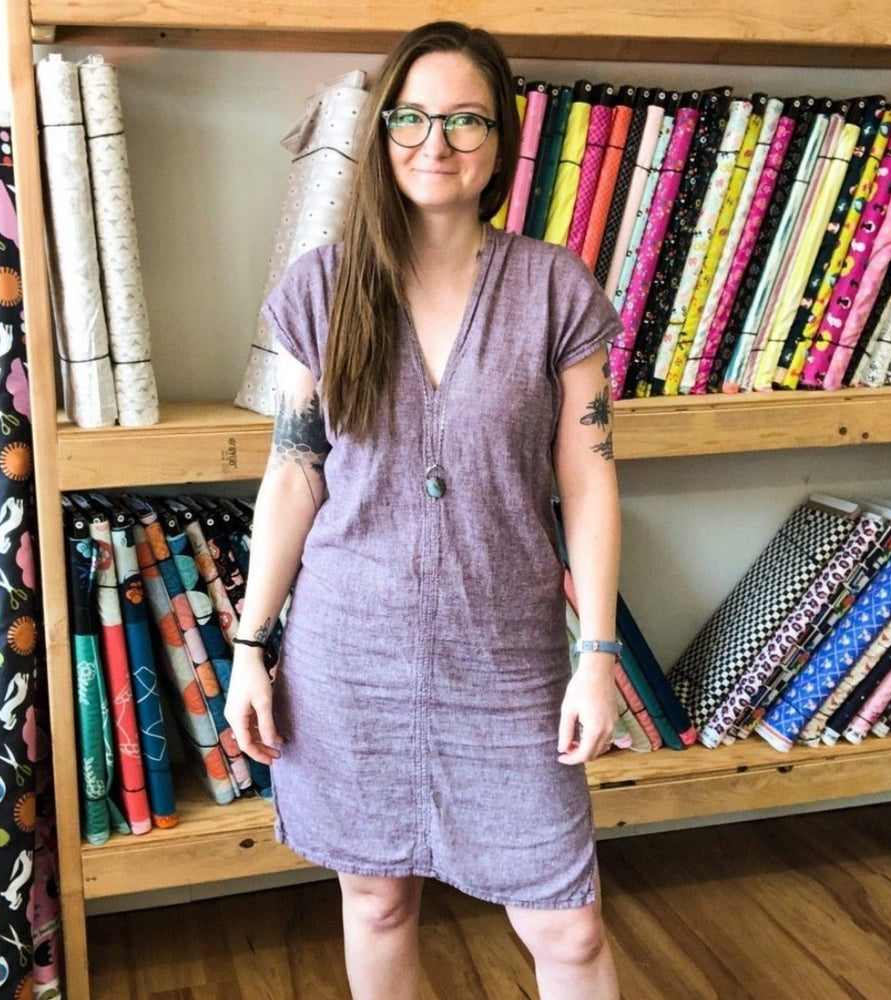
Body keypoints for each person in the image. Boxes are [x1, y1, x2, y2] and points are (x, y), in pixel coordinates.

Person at [226, 20, 622, 1000]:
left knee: (567, 930)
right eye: (409, 116)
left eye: (462, 120)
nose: (432, 143)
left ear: (501, 139)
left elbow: (591, 479)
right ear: (382, 130)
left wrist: (599, 654)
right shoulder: (322, 289)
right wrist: (249, 644)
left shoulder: (552, 288)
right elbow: (294, 473)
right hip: (347, 654)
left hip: (506, 653)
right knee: (375, 899)